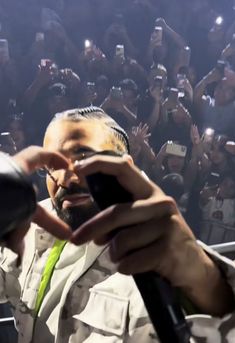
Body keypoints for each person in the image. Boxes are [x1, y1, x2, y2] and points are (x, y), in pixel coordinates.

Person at [1, 106, 235, 343]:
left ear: (125, 164)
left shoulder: (159, 257)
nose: (64, 178)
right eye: (52, 166)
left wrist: (209, 286)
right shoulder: (28, 223)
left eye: (83, 158)